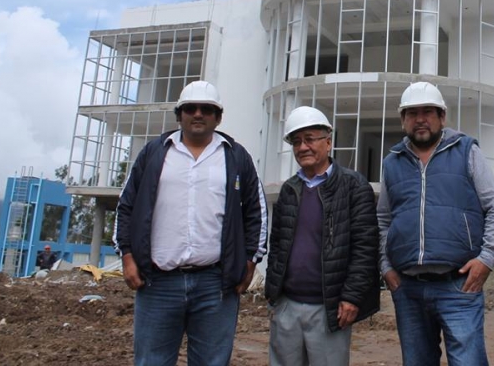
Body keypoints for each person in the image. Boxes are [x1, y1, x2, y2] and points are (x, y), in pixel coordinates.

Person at [114, 80, 268, 366]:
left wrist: (250, 261)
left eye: (206, 109)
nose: (198, 114)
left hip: (216, 284)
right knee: (151, 361)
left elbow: (256, 212)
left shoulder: (235, 157)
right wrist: (127, 255)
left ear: (218, 117)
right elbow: (126, 206)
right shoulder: (154, 153)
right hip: (157, 282)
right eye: (190, 108)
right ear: (179, 114)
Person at [377, 82, 494, 366]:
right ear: (403, 121)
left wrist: (486, 259)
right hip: (408, 289)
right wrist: (386, 266)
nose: (420, 119)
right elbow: (383, 220)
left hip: (458, 287)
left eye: (428, 111)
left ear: (442, 117)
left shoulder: (466, 151)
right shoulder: (392, 163)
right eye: (412, 113)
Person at [265, 106, 380, 366]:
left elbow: (365, 247)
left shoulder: (353, 186)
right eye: (296, 141)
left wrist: (351, 297)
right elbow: (277, 244)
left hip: (329, 308)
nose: (302, 147)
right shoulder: (289, 190)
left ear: (328, 142)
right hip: (287, 305)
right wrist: (273, 293)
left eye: (309, 139)